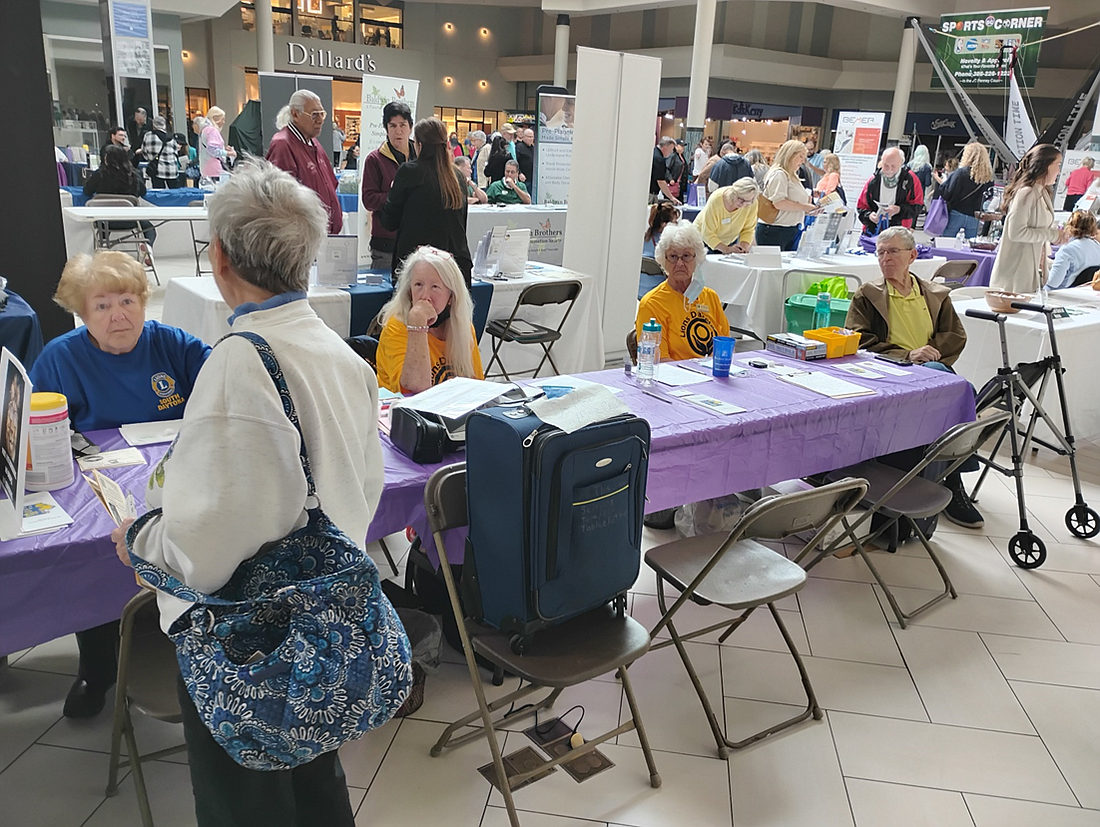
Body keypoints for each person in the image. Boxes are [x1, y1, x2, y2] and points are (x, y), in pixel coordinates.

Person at [118, 159, 382, 827]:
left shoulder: (241, 361)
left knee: (249, 804)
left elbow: (206, 546)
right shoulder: (343, 356)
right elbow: (361, 488)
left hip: (248, 642)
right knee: (316, 783)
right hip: (322, 627)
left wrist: (141, 541)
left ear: (221, 257)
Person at [29, 250, 210, 718]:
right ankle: (97, 668)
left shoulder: (172, 344)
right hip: (96, 487)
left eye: (128, 300)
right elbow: (42, 436)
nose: (118, 315)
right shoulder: (59, 358)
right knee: (91, 559)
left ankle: (182, 650)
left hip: (174, 481)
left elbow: (220, 387)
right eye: (102, 305)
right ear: (82, 313)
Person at [845, 226, 981, 528]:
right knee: (961, 391)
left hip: (933, 368)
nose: (885, 258)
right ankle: (955, 479)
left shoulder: (934, 295)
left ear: (912, 255)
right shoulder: (869, 295)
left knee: (951, 390)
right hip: (891, 370)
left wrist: (931, 352)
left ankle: (950, 476)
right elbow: (859, 340)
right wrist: (908, 355)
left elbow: (955, 336)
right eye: (881, 252)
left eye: (893, 251)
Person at [378, 117, 474, 286]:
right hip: (454, 266)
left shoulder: (409, 172)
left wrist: (392, 192)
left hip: (418, 269)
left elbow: (389, 221)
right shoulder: (457, 176)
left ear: (419, 145)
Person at [375, 246, 484, 394]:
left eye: (435, 287)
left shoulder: (462, 327)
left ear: (451, 296)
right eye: (418, 285)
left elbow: (476, 387)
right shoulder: (396, 327)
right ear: (409, 291)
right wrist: (417, 324)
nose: (425, 296)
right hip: (405, 412)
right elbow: (414, 389)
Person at [636, 221, 730, 361]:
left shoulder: (710, 297)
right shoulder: (652, 303)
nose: (680, 263)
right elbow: (659, 361)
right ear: (664, 260)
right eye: (673, 257)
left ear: (696, 258)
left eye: (686, 256)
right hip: (677, 378)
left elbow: (726, 347)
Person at [990, 144, 1067, 293]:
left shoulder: (1042, 193)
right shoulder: (1026, 193)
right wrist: (1052, 234)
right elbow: (1016, 232)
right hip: (1015, 277)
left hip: (1032, 274)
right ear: (1045, 165)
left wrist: (1055, 235)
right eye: (1057, 164)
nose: (1059, 170)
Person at [266, 90, 342, 234]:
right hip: (302, 238)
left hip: (322, 234)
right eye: (314, 115)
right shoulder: (283, 144)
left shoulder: (313, 142)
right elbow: (281, 200)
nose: (320, 120)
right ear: (295, 114)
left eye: (322, 114)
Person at [361, 101, 416, 270]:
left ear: (411, 127)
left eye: (402, 125)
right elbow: (369, 200)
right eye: (392, 126)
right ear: (386, 128)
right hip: (386, 244)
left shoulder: (422, 156)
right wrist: (395, 195)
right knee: (386, 295)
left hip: (418, 242)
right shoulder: (375, 159)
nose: (398, 131)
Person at [84, 144, 157, 250]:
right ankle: (148, 248)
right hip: (131, 220)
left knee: (102, 228)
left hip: (105, 221)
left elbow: (87, 191)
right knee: (149, 229)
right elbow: (143, 192)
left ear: (107, 158)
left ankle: (103, 247)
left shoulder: (99, 175)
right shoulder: (134, 175)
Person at [756, 139, 819, 251]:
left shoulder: (792, 175)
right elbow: (779, 202)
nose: (803, 160)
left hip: (789, 229)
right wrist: (804, 207)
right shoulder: (779, 174)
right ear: (790, 155)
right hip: (774, 230)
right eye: (800, 156)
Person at [857, 147, 923, 234]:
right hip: (875, 230)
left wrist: (899, 209)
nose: (889, 170)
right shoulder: (873, 180)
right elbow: (861, 206)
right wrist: (869, 216)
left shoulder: (911, 179)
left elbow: (917, 206)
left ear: (901, 164)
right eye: (886, 165)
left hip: (900, 230)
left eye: (893, 166)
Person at [937, 141, 996, 239]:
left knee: (946, 243)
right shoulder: (987, 176)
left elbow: (947, 192)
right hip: (975, 215)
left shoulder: (961, 173)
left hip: (956, 212)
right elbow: (989, 195)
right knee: (970, 247)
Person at [693, 177, 760, 254]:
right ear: (734, 193)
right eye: (741, 199)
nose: (743, 204)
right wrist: (726, 249)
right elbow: (707, 233)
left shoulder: (752, 204)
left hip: (728, 241)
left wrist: (743, 248)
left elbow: (748, 229)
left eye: (748, 201)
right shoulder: (716, 199)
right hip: (702, 239)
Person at [1048, 211, 1100, 289]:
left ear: (1069, 227)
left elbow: (1053, 282)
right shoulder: (1097, 247)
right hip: (1085, 294)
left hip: (1061, 295)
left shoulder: (1066, 250)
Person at [198, 107, 236, 182]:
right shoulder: (212, 130)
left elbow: (210, 148)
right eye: (222, 119)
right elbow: (213, 150)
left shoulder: (205, 130)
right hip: (214, 168)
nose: (224, 122)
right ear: (216, 119)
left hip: (206, 167)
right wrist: (229, 153)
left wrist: (223, 149)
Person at [142, 115, 180, 189]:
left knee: (159, 193)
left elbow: (144, 151)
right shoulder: (171, 137)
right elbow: (176, 152)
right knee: (175, 193)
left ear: (154, 125)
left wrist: (150, 158)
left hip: (157, 170)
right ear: (164, 125)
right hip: (172, 170)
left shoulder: (148, 135)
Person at [650, 136, 679, 205]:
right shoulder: (659, 159)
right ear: (665, 147)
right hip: (651, 193)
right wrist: (671, 197)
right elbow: (661, 181)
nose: (672, 152)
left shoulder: (653, 152)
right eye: (671, 149)